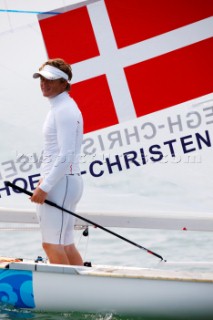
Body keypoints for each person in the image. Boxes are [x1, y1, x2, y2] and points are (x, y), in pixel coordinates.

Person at [31, 58, 84, 266]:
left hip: (60, 184)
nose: (44, 83)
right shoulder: (62, 107)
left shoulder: (64, 110)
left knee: (52, 245)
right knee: (65, 243)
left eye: (50, 80)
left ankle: (71, 295)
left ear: (64, 83)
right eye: (42, 79)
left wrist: (44, 186)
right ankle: (81, 291)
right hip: (65, 182)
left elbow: (67, 154)